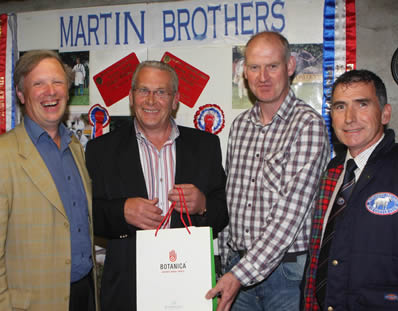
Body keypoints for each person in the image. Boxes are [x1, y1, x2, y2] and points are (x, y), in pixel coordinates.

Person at [85, 60, 229, 311]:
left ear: (175, 100)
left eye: (161, 92)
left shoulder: (206, 146)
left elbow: (223, 210)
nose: (150, 101)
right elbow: (86, 215)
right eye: (143, 91)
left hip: (190, 287)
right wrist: (122, 211)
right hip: (128, 291)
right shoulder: (101, 150)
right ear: (131, 97)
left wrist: (203, 205)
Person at [206, 31, 330, 310]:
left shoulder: (307, 125)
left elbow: (290, 213)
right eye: (254, 67)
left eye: (272, 66)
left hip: (285, 273)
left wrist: (238, 274)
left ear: (290, 66)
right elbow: (232, 200)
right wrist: (224, 261)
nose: (263, 76)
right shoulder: (239, 126)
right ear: (244, 72)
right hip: (236, 266)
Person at [0, 50, 97, 310]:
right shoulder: (4, 154)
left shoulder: (75, 147)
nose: (50, 91)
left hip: (84, 295)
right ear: (21, 94)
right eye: (38, 83)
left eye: (57, 82)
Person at [304, 69, 398, 310]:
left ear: (385, 113)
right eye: (340, 107)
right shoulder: (333, 171)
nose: (349, 118)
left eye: (362, 104)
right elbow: (318, 254)